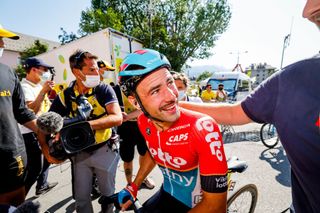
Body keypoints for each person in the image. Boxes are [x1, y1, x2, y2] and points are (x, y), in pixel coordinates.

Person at [180, 1, 320, 212]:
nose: (306, 11)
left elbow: (233, 110)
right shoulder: (294, 79)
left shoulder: (296, 78)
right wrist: (173, 104)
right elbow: (233, 111)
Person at [118, 49, 228, 212]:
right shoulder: (143, 121)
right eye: (155, 91)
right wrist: (134, 186)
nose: (171, 96)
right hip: (167, 192)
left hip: (199, 204)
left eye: (170, 83)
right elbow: (154, 151)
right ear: (135, 102)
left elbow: (216, 206)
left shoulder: (203, 128)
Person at [48, 50, 122, 213]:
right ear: (76, 72)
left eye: (97, 69)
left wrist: (85, 125)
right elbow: (48, 122)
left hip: (105, 150)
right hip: (79, 154)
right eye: (91, 70)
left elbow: (117, 118)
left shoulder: (103, 89)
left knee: (107, 196)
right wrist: (48, 150)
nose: (97, 73)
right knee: (81, 200)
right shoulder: (65, 95)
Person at [98, 60, 156, 190]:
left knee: (144, 153)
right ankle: (130, 184)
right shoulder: (113, 90)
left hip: (142, 126)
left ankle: (143, 178)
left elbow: (145, 108)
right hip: (124, 129)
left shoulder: (140, 87)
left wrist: (128, 116)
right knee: (127, 159)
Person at [0, 24, 39, 207]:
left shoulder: (7, 73)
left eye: (2, 40)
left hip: (12, 157)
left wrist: (45, 130)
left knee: (16, 204)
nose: (2, 44)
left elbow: (21, 111)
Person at [19, 57, 58, 196]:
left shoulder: (37, 86)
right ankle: (17, 200)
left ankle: (42, 185)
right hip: (31, 133)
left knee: (47, 158)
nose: (46, 73)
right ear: (34, 70)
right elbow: (30, 112)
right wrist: (43, 92)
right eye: (44, 70)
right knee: (34, 169)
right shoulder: (24, 87)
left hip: (43, 130)